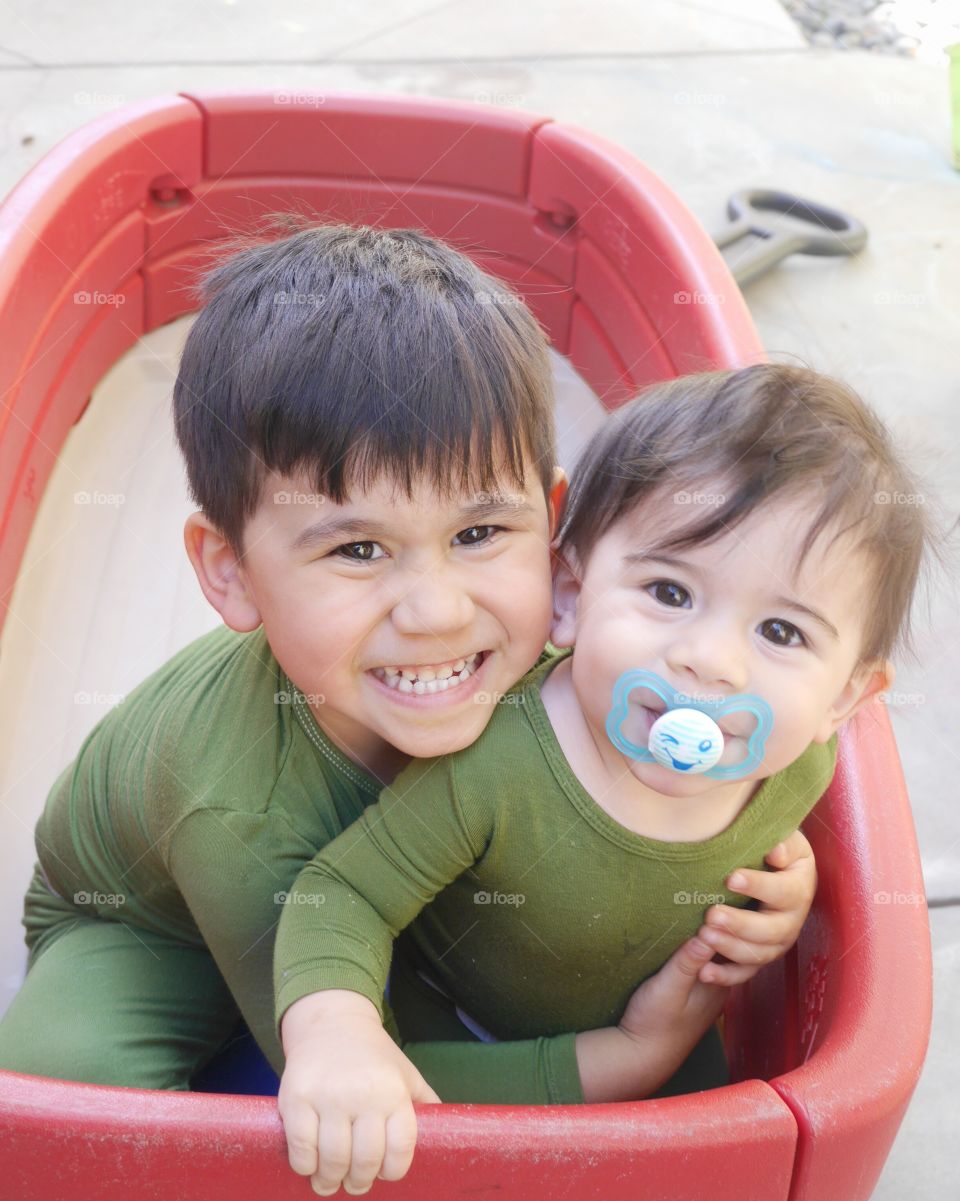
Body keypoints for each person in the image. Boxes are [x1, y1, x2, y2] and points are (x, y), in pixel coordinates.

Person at [0, 220, 813, 1112]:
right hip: (154, 921)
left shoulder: (584, 659)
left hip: (399, 898)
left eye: (477, 534)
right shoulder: (237, 808)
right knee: (55, 1096)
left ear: (552, 527)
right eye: (356, 550)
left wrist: (774, 864)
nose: (436, 613)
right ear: (230, 572)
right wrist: (624, 1056)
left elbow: (692, 760)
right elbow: (376, 1080)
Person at [275, 359, 935, 1199]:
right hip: (459, 1031)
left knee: (719, 1184)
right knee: (373, 1130)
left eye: (780, 630)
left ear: (844, 695)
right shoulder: (495, 766)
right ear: (571, 591)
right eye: (668, 590)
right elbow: (340, 893)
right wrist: (337, 1030)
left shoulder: (799, 763)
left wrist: (786, 898)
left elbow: (759, 843)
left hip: (669, 1025)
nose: (710, 659)